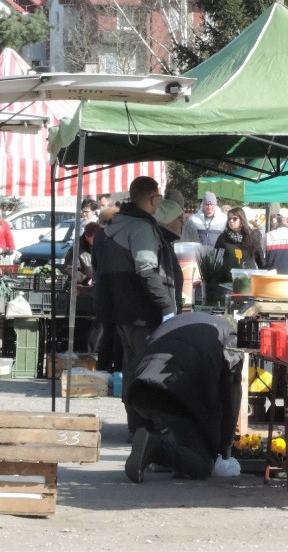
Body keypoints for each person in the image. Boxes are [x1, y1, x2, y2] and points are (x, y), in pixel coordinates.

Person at [92, 176, 177, 440]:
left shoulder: (110, 228)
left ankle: (137, 426)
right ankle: (149, 430)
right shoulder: (139, 228)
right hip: (142, 312)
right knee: (150, 371)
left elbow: (97, 270)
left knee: (132, 368)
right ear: (154, 198)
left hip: (119, 312)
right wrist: (166, 307)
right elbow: (147, 271)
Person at [123, 313, 243, 483]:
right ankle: (156, 449)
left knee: (183, 431)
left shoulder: (183, 320)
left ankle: (159, 448)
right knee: (202, 465)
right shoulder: (230, 339)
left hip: (138, 390)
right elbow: (231, 398)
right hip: (171, 395)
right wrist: (225, 446)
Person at [153, 199, 186, 310]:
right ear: (168, 219)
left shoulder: (164, 242)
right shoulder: (161, 244)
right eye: (180, 219)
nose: (183, 223)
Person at [64, 221, 101, 287]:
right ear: (86, 237)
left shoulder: (104, 246)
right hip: (84, 288)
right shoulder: (76, 250)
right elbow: (71, 269)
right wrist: (86, 280)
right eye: (93, 239)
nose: (96, 241)